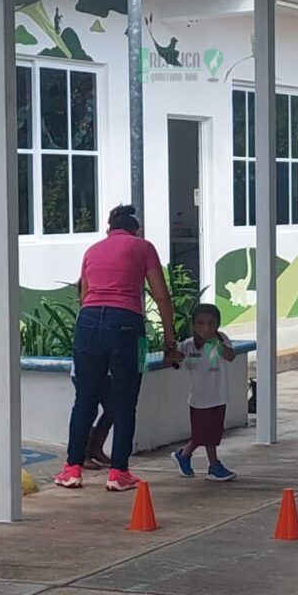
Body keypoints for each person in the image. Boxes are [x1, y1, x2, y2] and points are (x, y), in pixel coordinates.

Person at [54, 205, 181, 491]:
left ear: (109, 229)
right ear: (136, 230)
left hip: (87, 325)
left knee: (84, 400)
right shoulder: (144, 247)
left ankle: (72, 469)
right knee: (126, 403)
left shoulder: (92, 250)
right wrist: (169, 342)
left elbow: (85, 296)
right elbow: (162, 297)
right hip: (128, 327)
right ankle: (118, 473)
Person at [171, 304, 237, 481]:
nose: (205, 328)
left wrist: (216, 344)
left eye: (211, 323)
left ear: (217, 325)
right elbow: (175, 359)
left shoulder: (221, 340)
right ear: (193, 325)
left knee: (212, 434)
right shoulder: (188, 345)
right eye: (200, 323)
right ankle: (212, 465)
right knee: (202, 435)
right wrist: (169, 348)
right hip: (199, 399)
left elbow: (230, 356)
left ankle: (186, 456)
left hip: (219, 396)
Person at [71, 280, 113, 470]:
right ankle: (82, 455)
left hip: (106, 372)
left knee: (113, 408)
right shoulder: (87, 316)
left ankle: (95, 447)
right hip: (85, 370)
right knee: (89, 410)